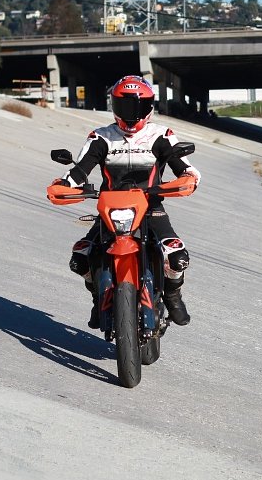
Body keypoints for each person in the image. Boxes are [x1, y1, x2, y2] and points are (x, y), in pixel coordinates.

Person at [52, 75, 200, 329]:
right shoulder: (100, 137)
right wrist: (64, 184)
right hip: (111, 210)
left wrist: (188, 178)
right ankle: (98, 296)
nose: (131, 114)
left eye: (138, 107)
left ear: (149, 107)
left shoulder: (161, 135)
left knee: (177, 257)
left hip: (150, 209)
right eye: (125, 107)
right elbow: (81, 169)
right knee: (81, 257)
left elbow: (185, 167)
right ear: (114, 106)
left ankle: (173, 295)